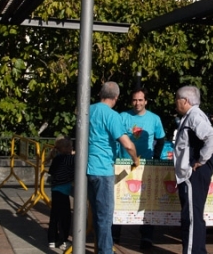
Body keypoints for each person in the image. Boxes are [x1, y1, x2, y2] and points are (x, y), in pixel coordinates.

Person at [87, 81, 140, 254]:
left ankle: (99, 248)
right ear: (116, 97)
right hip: (103, 170)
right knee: (105, 217)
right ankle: (105, 251)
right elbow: (128, 144)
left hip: (86, 169)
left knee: (95, 215)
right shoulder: (112, 116)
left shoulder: (88, 110)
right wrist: (135, 159)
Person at [113, 87, 166, 249]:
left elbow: (161, 139)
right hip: (124, 165)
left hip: (145, 167)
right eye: (135, 100)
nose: (137, 103)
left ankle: (146, 237)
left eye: (140, 100)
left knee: (146, 202)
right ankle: (115, 235)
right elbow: (115, 138)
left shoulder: (154, 119)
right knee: (119, 201)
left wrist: (155, 159)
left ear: (146, 101)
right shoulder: (122, 116)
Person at [173, 86, 213, 254]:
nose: (175, 103)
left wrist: (201, 160)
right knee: (191, 216)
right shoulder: (191, 117)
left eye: (177, 99)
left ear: (184, 101)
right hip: (191, 174)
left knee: (192, 218)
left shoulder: (194, 116)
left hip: (194, 174)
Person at [47, 137, 75, 251]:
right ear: (67, 148)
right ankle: (63, 240)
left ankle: (51, 240)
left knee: (54, 216)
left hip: (55, 190)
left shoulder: (56, 158)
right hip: (63, 192)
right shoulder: (69, 159)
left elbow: (52, 172)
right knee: (65, 217)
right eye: (71, 146)